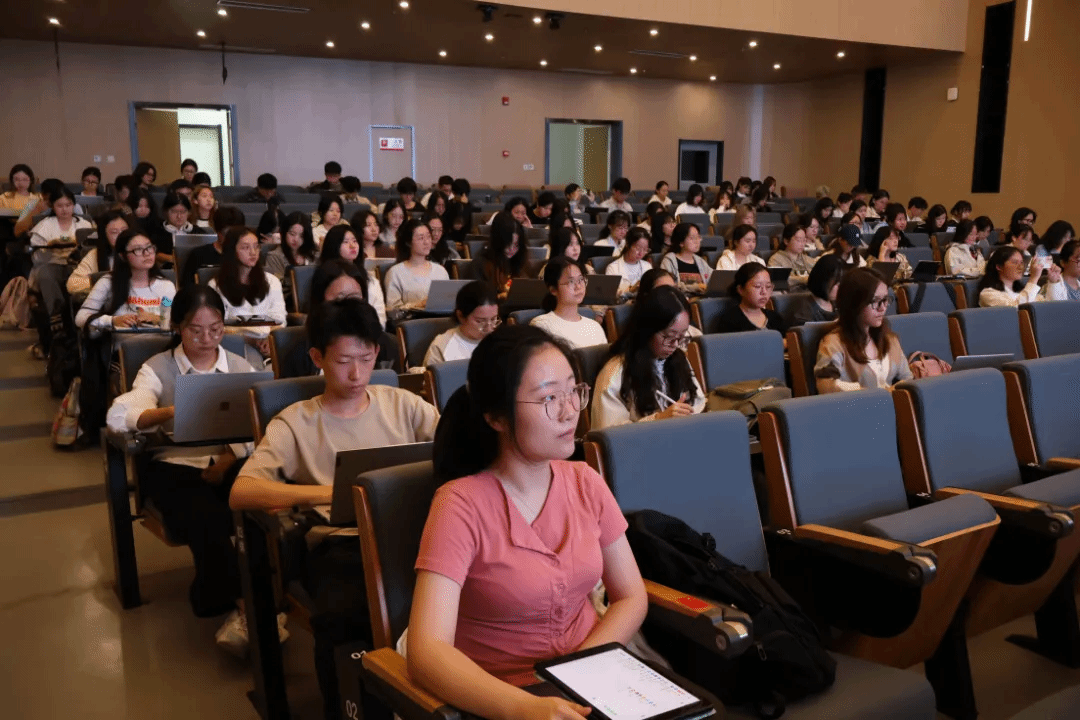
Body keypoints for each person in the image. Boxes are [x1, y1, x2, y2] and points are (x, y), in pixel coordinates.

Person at [409, 322, 651, 720]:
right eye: (549, 398)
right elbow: (427, 650)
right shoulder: (459, 504)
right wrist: (526, 708)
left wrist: (580, 672)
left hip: (590, 677)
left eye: (573, 391)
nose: (570, 411)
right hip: (500, 698)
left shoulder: (585, 481)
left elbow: (630, 596)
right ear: (497, 417)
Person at [229, 296, 438, 720]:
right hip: (341, 545)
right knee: (349, 615)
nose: (357, 373)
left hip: (415, 535)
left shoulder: (403, 404)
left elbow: (458, 450)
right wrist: (329, 494)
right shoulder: (296, 421)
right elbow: (243, 491)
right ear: (317, 358)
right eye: (344, 361)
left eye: (366, 358)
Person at [105, 284, 259, 648]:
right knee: (208, 512)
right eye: (195, 330)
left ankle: (234, 598)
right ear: (177, 326)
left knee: (258, 500)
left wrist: (229, 458)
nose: (207, 339)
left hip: (231, 458)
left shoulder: (240, 366)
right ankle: (248, 607)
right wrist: (172, 411)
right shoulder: (158, 368)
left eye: (216, 329)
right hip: (176, 462)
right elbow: (120, 415)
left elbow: (262, 423)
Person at [592, 285, 705, 429]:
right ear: (647, 330)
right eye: (669, 337)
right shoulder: (616, 373)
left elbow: (698, 405)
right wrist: (659, 419)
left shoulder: (678, 359)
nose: (675, 345)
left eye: (681, 337)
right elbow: (608, 434)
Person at [814, 267, 913, 394]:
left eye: (885, 300)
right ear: (854, 303)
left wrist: (895, 391)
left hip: (891, 404)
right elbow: (826, 385)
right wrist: (878, 394)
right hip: (856, 405)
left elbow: (908, 379)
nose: (883, 308)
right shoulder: (833, 343)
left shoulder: (889, 338)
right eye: (875, 301)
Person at [208, 226, 287, 362]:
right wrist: (252, 340)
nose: (253, 252)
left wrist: (269, 340)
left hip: (269, 342)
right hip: (235, 345)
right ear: (232, 251)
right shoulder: (215, 286)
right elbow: (217, 326)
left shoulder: (272, 281)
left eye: (256, 247)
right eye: (245, 248)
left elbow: (279, 318)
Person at [75, 229, 176, 334]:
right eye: (138, 249)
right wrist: (112, 320)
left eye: (149, 247)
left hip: (159, 342)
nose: (147, 253)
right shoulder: (108, 282)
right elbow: (81, 317)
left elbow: (175, 321)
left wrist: (158, 319)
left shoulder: (166, 286)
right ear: (122, 256)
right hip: (121, 342)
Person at [529, 257, 608, 349]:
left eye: (581, 279)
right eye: (571, 281)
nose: (578, 286)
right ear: (553, 290)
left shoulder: (595, 327)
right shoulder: (542, 325)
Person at [383, 219, 451, 317]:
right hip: (411, 322)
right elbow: (393, 312)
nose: (427, 242)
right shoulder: (395, 273)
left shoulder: (441, 271)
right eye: (421, 238)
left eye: (428, 237)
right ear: (408, 242)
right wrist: (419, 305)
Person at [423, 281, 500, 366]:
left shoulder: (501, 341)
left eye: (493, 319)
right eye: (480, 321)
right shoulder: (441, 346)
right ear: (460, 316)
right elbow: (430, 374)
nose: (489, 329)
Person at [67, 209, 130, 296]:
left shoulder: (140, 251)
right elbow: (72, 284)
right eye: (114, 232)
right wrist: (99, 279)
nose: (121, 236)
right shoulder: (95, 255)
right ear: (105, 236)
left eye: (124, 231)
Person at [977, 246, 1065, 307]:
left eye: (1022, 262)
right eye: (1015, 262)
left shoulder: (1022, 291)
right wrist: (1034, 278)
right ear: (999, 267)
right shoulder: (988, 294)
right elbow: (1018, 310)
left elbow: (1052, 307)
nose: (1020, 267)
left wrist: (1053, 282)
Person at [181, 207, 245, 287]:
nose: (233, 238)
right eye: (228, 234)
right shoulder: (199, 255)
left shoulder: (245, 255)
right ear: (217, 231)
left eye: (238, 234)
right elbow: (186, 286)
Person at [716, 262, 786, 335]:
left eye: (768, 286)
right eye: (757, 286)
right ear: (741, 290)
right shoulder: (730, 320)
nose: (764, 292)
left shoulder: (775, 317)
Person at [476, 212, 529, 301]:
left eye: (516, 245)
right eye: (508, 244)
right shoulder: (481, 263)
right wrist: (499, 297)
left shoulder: (518, 261)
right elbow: (479, 298)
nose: (511, 249)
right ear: (498, 241)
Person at [785, 254, 842, 328]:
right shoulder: (804, 314)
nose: (841, 287)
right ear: (824, 281)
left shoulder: (838, 304)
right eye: (837, 284)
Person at [152, 192, 208, 265]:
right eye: (174, 211)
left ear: (189, 212)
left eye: (183, 212)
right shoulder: (156, 232)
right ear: (166, 212)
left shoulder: (198, 232)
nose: (179, 216)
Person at [265, 211, 318, 281]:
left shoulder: (315, 254)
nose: (296, 239)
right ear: (284, 233)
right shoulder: (274, 257)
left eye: (301, 236)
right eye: (292, 234)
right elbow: (275, 284)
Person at [660, 222, 711, 294]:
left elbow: (712, 280)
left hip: (701, 299)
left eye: (698, 237)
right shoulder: (669, 260)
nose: (697, 241)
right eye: (692, 238)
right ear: (681, 243)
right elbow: (667, 285)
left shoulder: (700, 261)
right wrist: (695, 287)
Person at [605, 227, 653, 297]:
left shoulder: (647, 266)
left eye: (645, 250)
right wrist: (630, 290)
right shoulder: (613, 268)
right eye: (638, 248)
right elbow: (610, 294)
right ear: (627, 244)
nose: (641, 253)